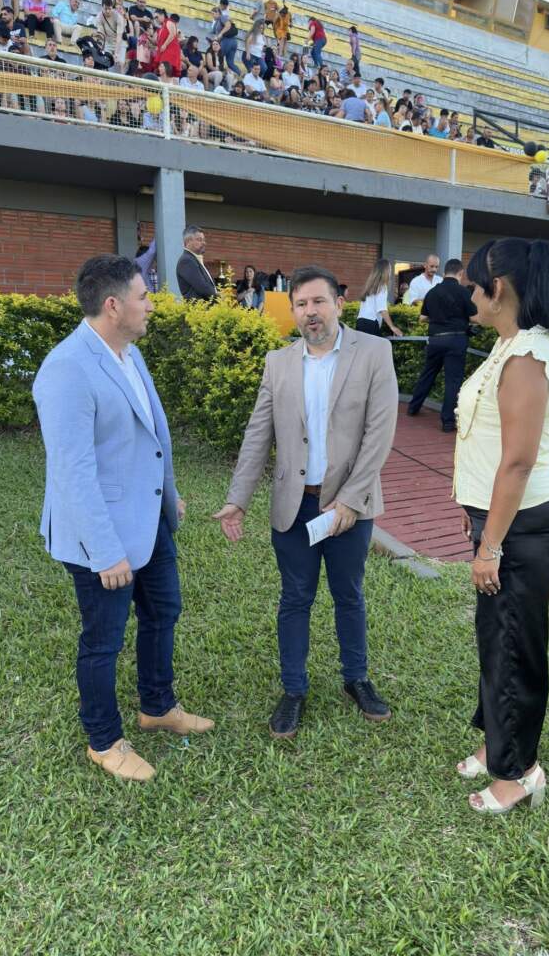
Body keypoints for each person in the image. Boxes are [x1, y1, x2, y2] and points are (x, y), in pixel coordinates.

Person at [32, 254, 214, 782]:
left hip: (148, 520)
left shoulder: (127, 353)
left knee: (164, 611)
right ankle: (104, 740)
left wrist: (169, 496)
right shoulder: (66, 369)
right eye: (143, 296)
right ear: (113, 306)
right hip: (101, 537)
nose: (151, 304)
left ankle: (157, 707)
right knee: (103, 640)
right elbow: (73, 471)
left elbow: (151, 437)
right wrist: (104, 550)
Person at [214, 265, 398, 739]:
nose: (310, 312)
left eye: (319, 301)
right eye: (301, 304)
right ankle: (293, 689)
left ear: (339, 302)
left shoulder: (374, 352)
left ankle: (356, 679)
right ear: (291, 310)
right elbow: (259, 434)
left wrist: (351, 502)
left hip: (349, 506)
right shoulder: (279, 362)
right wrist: (238, 499)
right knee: (295, 598)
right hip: (294, 507)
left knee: (349, 594)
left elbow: (380, 434)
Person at [453, 238, 549, 815]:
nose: (469, 293)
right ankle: (496, 743)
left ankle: (518, 773)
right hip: (501, 521)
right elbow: (486, 445)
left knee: (514, 648)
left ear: (497, 290)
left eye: (474, 284)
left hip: (522, 529)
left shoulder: (526, 359)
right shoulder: (508, 346)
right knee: (496, 641)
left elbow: (519, 462)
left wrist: (490, 544)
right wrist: (473, 510)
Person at [407, 258, 477, 432]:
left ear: (444, 272)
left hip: (436, 339)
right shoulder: (463, 293)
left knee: (428, 374)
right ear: (460, 273)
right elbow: (474, 318)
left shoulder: (432, 292)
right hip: (456, 340)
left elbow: (422, 318)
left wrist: (439, 319)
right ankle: (447, 422)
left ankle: (413, 407)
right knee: (452, 381)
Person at [355, 259, 404, 338]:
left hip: (360, 322)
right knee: (375, 349)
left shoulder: (370, 287)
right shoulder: (382, 287)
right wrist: (392, 327)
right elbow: (382, 309)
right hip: (371, 323)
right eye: (390, 269)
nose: (390, 272)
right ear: (385, 271)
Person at [176, 225, 217, 301]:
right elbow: (204, 289)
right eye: (199, 240)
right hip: (198, 311)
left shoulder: (194, 259)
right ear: (188, 241)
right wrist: (221, 299)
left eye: (204, 240)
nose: (204, 243)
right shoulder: (187, 261)